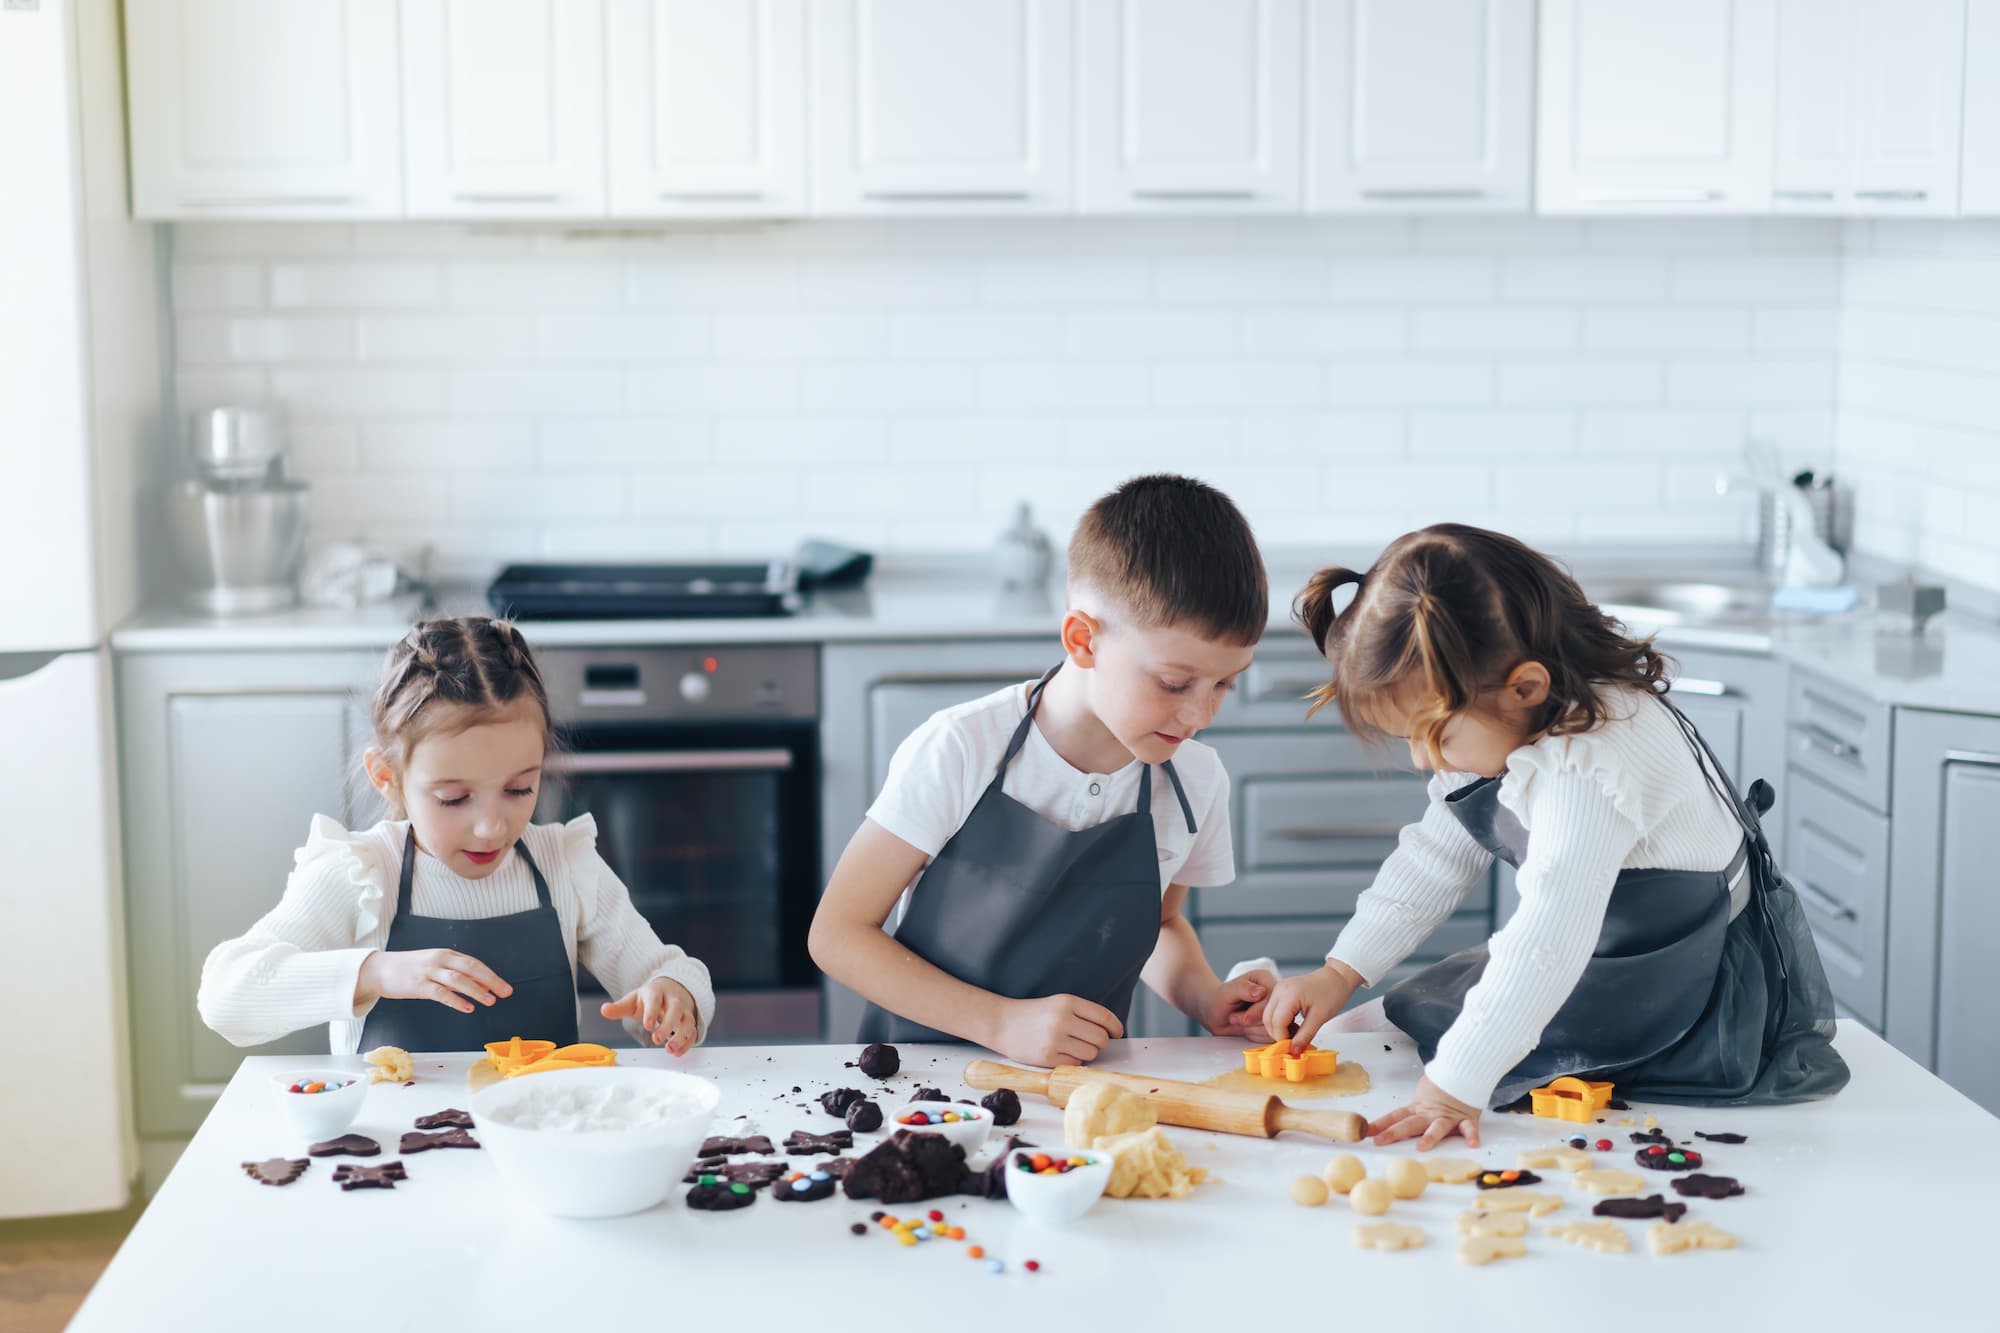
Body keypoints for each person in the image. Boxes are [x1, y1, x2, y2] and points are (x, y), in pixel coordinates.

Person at [1260, 524, 1848, 1148]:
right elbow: (1437, 854)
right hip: (1603, 950)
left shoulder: (1588, 766)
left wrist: (1453, 1086)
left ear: (1526, 687)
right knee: (1388, 1018)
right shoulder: (1516, 716)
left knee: (1413, 1039)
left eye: (1432, 736)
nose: (1420, 761)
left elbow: (1546, 941)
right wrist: (1341, 970)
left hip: (1677, 986)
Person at [810, 475, 1275, 1067]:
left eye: (1225, 685)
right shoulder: (961, 748)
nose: (1200, 714)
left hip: (1082, 1088)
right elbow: (838, 934)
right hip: (923, 1085)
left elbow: (1161, 923)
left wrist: (1206, 997)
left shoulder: (1194, 782)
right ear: (1083, 639)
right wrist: (999, 1023)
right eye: (1175, 683)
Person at [199, 616, 713, 1055]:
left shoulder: (564, 865)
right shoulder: (362, 874)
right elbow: (225, 994)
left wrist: (673, 995)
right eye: (454, 799)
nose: (492, 827)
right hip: (393, 1161)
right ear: (388, 777)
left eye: (518, 789)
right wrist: (374, 974)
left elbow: (668, 968)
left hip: (539, 1140)